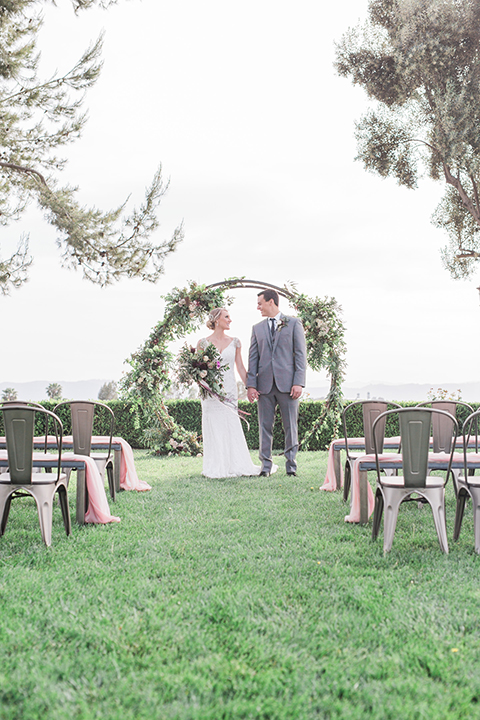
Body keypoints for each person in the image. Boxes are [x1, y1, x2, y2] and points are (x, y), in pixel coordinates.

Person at [197, 307, 266, 478]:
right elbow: (197, 369)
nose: (230, 320)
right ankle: (216, 465)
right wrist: (203, 382)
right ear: (216, 320)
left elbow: (241, 368)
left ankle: (234, 464)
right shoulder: (202, 343)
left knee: (230, 424)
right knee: (213, 426)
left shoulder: (235, 342)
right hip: (210, 394)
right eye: (227, 317)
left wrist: (251, 386)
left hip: (229, 391)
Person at [246, 289, 307, 476]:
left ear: (271, 302)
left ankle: (291, 466)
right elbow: (253, 358)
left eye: (260, 303)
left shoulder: (294, 323)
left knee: (290, 426)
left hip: (288, 385)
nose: (258, 307)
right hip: (264, 385)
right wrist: (251, 385)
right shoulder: (257, 328)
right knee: (264, 427)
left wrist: (299, 382)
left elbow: (300, 356)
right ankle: (265, 467)